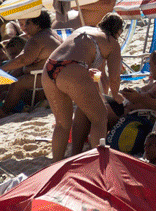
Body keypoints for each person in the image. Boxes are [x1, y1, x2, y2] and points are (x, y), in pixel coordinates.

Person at [42, 13, 126, 160]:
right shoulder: (112, 43)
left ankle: (56, 164)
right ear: (118, 32)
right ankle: (96, 162)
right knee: (100, 118)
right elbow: (114, 78)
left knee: (62, 124)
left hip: (49, 68)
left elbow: (72, 53)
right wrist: (116, 94)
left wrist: (85, 70)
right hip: (72, 70)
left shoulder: (85, 29)